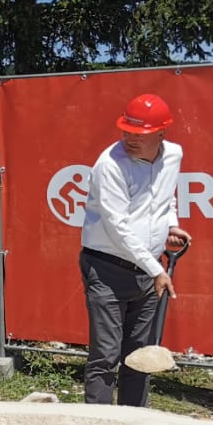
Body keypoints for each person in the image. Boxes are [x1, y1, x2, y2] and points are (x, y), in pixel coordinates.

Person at [79, 93, 191, 406]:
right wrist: (156, 270)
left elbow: (165, 197)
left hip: (147, 271)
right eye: (126, 131)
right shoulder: (110, 165)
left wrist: (171, 225)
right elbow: (118, 228)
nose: (130, 138)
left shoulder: (174, 155)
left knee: (140, 357)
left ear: (161, 132)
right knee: (106, 355)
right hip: (106, 268)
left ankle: (134, 422)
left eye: (140, 134)